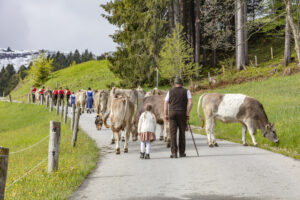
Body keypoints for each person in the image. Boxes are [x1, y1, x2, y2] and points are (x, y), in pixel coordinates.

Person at [164, 76, 193, 158]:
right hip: (182, 113)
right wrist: (188, 112)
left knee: (173, 133)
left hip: (172, 113)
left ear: (174, 84)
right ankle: (181, 153)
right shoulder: (186, 91)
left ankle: (174, 153)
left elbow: (165, 103)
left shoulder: (170, 91)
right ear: (182, 84)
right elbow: (191, 103)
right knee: (182, 133)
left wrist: (166, 114)